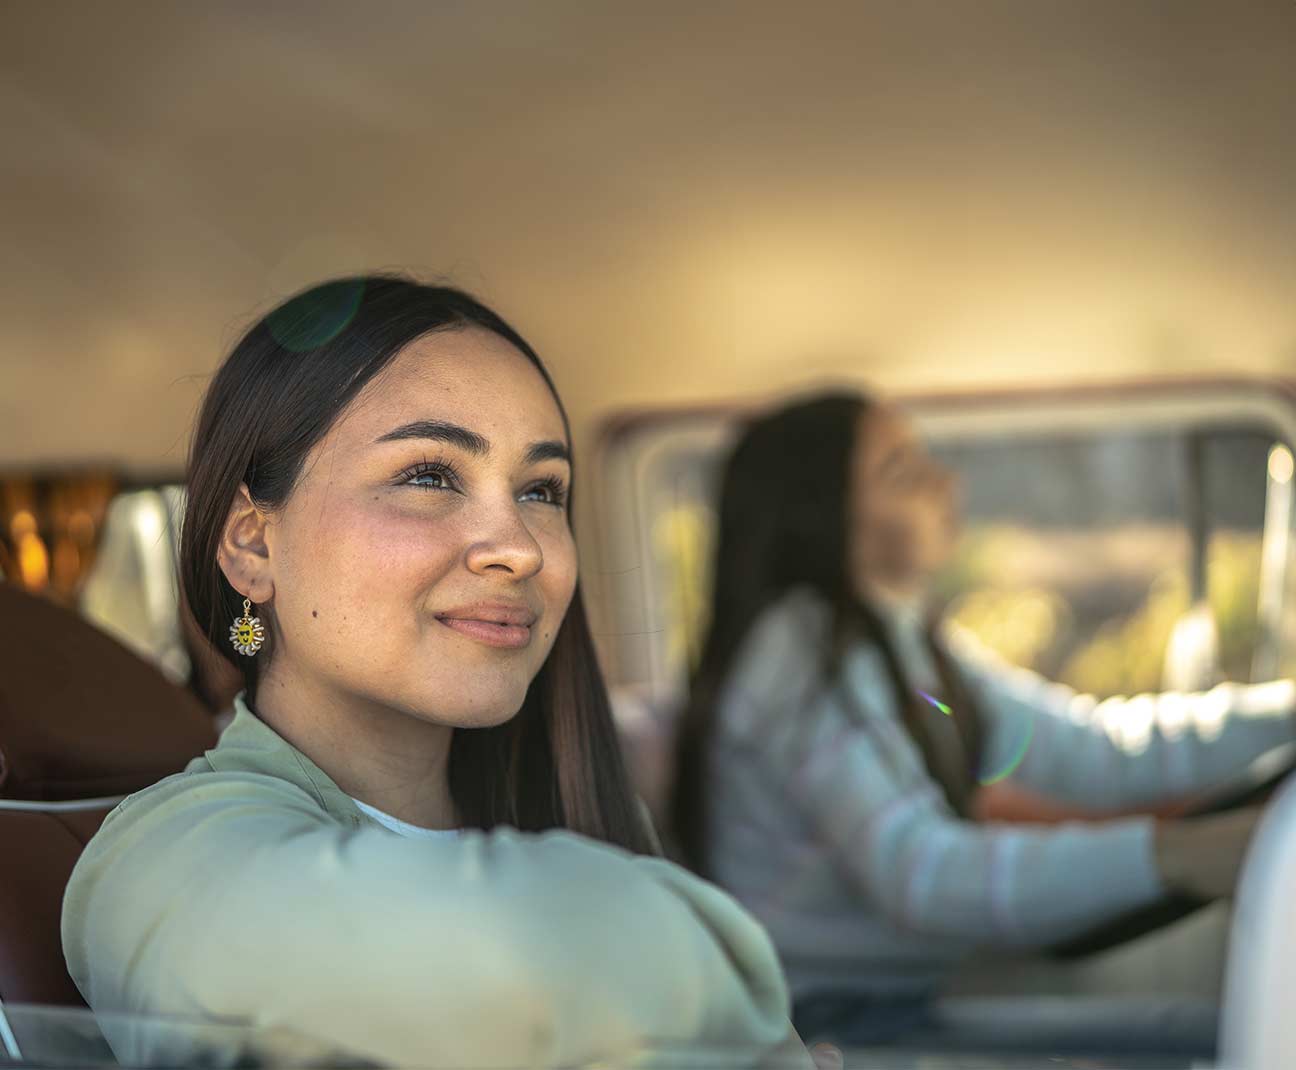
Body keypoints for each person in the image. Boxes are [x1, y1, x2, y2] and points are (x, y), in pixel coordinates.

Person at [62, 276, 806, 1069]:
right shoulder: (164, 855)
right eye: (428, 475)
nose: (518, 546)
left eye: (541, 490)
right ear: (251, 544)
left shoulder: (588, 808)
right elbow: (538, 960)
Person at [669, 389, 1295, 1053]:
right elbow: (924, 874)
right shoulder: (795, 660)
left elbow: (1094, 751)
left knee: (1205, 1039)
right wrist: (1183, 856)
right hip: (815, 1033)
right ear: (821, 517)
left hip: (890, 1008)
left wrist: (1285, 714)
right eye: (903, 471)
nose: (946, 482)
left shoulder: (909, 647)